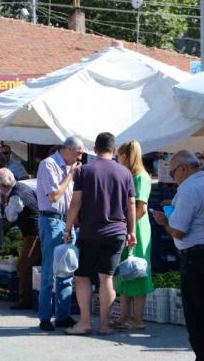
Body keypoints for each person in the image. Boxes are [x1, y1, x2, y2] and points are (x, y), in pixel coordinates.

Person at [152, 150, 204, 361]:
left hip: (198, 258)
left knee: (197, 316)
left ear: (183, 168)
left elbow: (179, 231)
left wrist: (164, 222)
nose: (174, 179)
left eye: (173, 174)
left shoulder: (188, 189)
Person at [63, 132, 136, 336]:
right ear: (114, 150)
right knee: (107, 278)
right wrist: (132, 231)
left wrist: (67, 228)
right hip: (117, 233)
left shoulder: (84, 171)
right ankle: (104, 325)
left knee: (83, 277)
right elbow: (131, 205)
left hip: (90, 233)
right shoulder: (125, 173)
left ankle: (85, 323)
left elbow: (75, 202)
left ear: (94, 150)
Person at [36, 136, 84, 331]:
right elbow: (55, 195)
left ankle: (63, 315)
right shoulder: (49, 165)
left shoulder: (70, 167)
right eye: (79, 153)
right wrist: (71, 175)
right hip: (51, 220)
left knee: (66, 269)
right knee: (49, 270)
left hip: (66, 221)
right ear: (68, 150)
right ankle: (45, 317)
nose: (80, 158)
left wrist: (73, 224)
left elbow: (72, 199)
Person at [113, 140, 154, 331]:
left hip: (137, 229)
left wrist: (129, 227)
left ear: (127, 156)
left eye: (120, 156)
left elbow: (141, 208)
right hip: (132, 227)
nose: (118, 159)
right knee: (126, 271)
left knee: (137, 271)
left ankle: (137, 320)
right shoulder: (132, 176)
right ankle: (123, 318)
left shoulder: (140, 178)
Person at [0, 167, 41, 310]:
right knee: (33, 263)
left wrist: (4, 200)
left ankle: (25, 299)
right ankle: (31, 296)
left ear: (3, 185)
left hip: (34, 233)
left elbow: (10, 217)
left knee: (23, 265)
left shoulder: (15, 196)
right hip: (35, 231)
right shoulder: (22, 186)